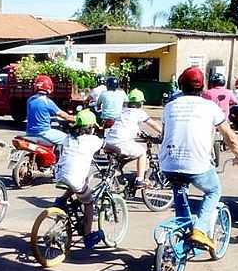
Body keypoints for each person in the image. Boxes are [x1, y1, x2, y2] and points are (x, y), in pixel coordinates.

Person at [160, 66, 238, 250]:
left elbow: (165, 134)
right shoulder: (210, 107)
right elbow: (228, 136)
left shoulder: (169, 106)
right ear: (202, 86)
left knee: (180, 191)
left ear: (181, 85)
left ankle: (183, 235)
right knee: (213, 190)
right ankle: (199, 230)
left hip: (168, 163)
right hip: (196, 165)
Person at [54, 109, 105, 248]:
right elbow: (108, 146)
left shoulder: (68, 137)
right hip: (74, 179)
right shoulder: (93, 140)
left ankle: (61, 200)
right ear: (90, 127)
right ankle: (88, 237)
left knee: (78, 181)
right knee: (89, 202)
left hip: (59, 175)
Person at [104, 89, 162, 187]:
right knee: (142, 153)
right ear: (141, 103)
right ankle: (139, 180)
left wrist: (138, 133)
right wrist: (164, 133)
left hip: (108, 142)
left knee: (119, 163)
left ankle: (110, 183)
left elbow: (127, 126)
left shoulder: (123, 112)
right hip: (121, 142)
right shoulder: (139, 112)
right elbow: (153, 125)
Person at [25, 75, 74, 145]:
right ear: (50, 87)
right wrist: (75, 118)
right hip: (43, 133)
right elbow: (63, 115)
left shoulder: (30, 100)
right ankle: (61, 155)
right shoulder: (47, 102)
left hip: (29, 133)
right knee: (68, 139)